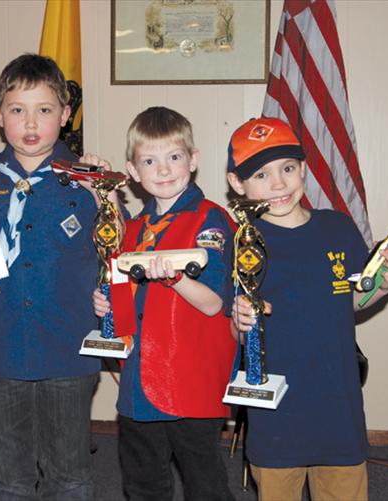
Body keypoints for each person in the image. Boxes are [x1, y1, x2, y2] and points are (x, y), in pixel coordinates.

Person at [0, 53, 108, 500]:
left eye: (45, 109)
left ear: (66, 115)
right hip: (0, 350)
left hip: (68, 348)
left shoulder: (88, 180)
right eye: (17, 110)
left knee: (70, 473)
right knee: (9, 476)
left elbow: (119, 252)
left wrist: (103, 199)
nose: (30, 123)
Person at [226, 117, 388, 501]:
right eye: (260, 174)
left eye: (287, 169)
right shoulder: (241, 243)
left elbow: (353, 300)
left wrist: (383, 284)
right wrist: (239, 320)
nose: (278, 184)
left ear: (303, 169)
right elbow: (236, 332)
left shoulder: (337, 228)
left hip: (336, 404)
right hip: (276, 414)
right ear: (237, 184)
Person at [92, 106, 238, 501]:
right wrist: (106, 304)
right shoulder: (132, 230)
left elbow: (212, 304)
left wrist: (174, 277)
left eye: (174, 157)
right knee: (142, 484)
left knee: (205, 484)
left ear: (192, 160)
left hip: (192, 382)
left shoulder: (210, 222)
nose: (163, 170)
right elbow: (125, 303)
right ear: (133, 172)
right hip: (139, 385)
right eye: (149, 161)